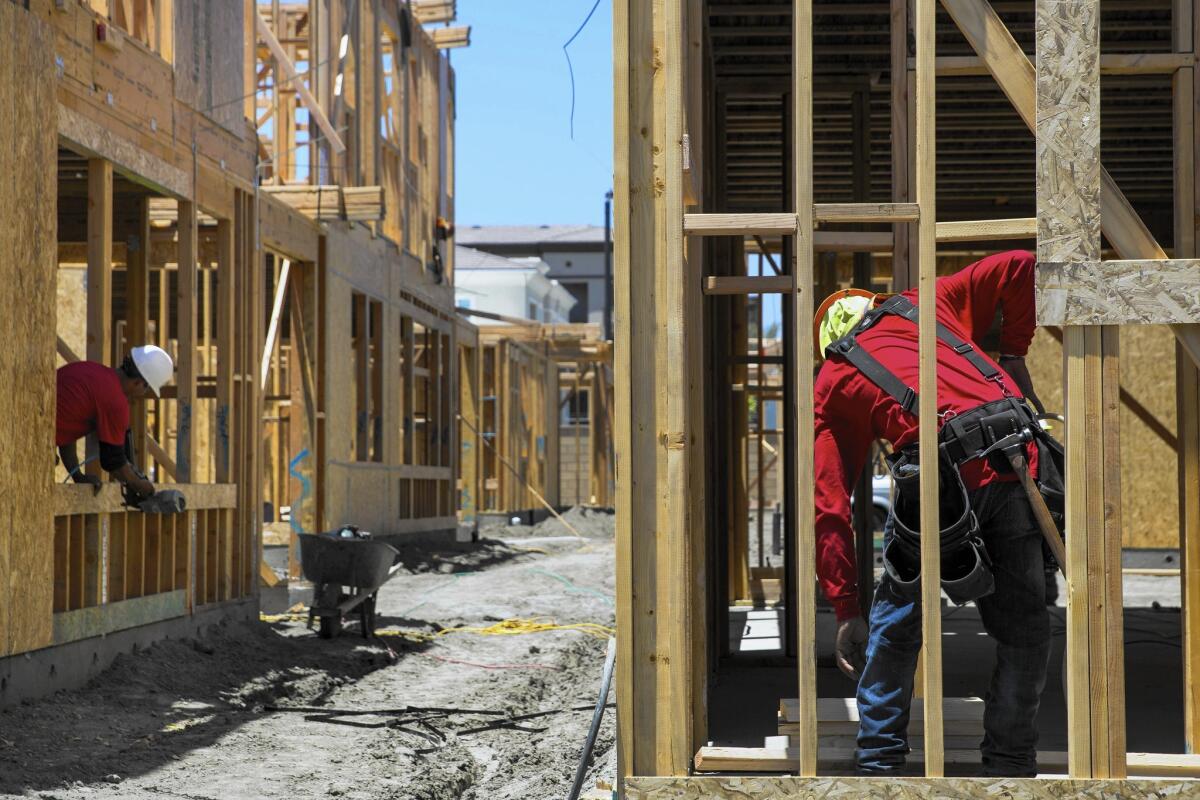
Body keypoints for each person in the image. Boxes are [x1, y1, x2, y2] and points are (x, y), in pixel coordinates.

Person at [812, 250, 1053, 777]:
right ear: (877, 306)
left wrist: (847, 609)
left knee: (896, 624)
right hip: (1015, 459)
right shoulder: (928, 303)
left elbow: (830, 506)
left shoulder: (834, 377)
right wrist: (1013, 355)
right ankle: (1010, 767)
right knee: (1024, 628)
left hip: (938, 478)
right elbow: (1021, 265)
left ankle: (879, 764)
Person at [56, 345, 175, 501]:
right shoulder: (115, 401)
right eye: (146, 390)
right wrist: (141, 485)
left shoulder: (90, 370)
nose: (141, 395)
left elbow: (65, 430)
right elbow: (113, 460)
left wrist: (77, 476)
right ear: (139, 383)